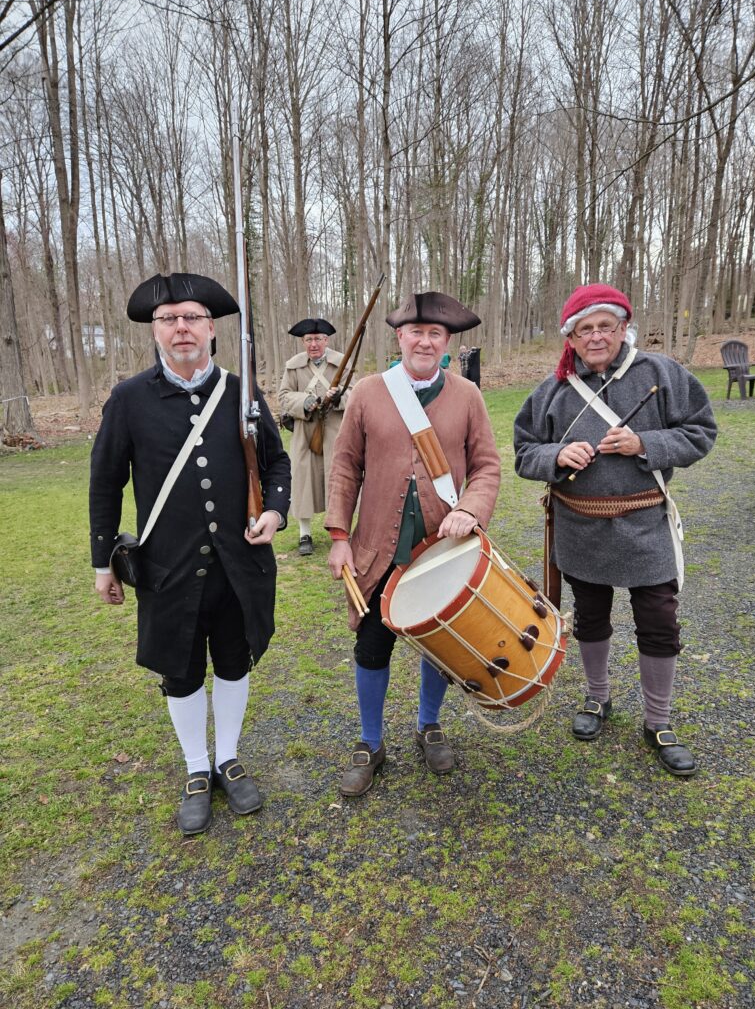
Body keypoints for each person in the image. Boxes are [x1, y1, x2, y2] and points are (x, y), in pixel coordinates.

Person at [90, 273, 291, 835]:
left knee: (233, 660)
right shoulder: (129, 399)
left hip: (237, 562)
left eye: (192, 317)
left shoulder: (241, 389)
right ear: (155, 331)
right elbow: (105, 484)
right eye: (169, 319)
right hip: (167, 567)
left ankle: (227, 756)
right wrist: (102, 562)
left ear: (210, 328)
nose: (181, 327)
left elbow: (277, 463)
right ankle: (196, 769)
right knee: (180, 671)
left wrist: (274, 511)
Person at [514, 283, 717, 776]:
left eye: (606, 326)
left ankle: (659, 720)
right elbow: (524, 451)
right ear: (572, 338)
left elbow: (701, 432)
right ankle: (597, 698)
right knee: (589, 616)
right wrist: (556, 456)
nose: (597, 337)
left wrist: (643, 442)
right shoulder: (553, 390)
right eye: (586, 329)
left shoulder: (661, 374)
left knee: (659, 621)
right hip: (580, 525)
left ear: (624, 328)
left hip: (646, 522)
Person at [325, 291, 501, 796]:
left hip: (441, 545)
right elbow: (344, 466)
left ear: (447, 343)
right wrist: (339, 535)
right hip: (376, 547)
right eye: (416, 333)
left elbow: (487, 466)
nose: (425, 341)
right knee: (372, 646)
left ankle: (428, 725)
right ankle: (370, 742)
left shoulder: (467, 395)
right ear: (400, 337)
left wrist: (469, 509)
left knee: (442, 643)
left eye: (436, 334)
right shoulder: (368, 391)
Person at [278, 319, 348, 555]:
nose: (313, 344)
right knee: (303, 480)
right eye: (309, 340)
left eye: (318, 339)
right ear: (303, 342)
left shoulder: (341, 363)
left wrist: (338, 398)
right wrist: (305, 402)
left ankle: (339, 530)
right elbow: (284, 396)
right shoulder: (293, 366)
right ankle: (304, 534)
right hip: (305, 432)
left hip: (334, 430)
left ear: (326, 340)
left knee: (337, 479)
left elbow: (355, 393)